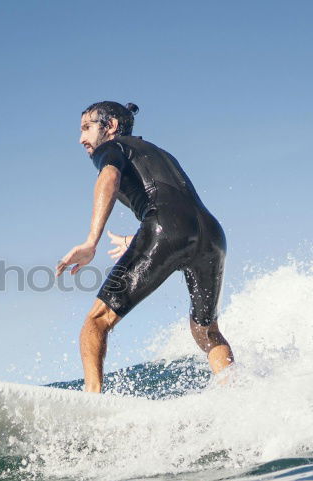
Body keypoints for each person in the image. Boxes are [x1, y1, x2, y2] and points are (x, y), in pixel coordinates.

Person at [56, 101, 235, 392]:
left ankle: (91, 400)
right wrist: (138, 238)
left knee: (96, 321)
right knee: (206, 330)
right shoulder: (158, 152)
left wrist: (92, 241)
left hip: (166, 228)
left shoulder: (110, 149)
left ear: (110, 126)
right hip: (212, 236)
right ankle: (233, 391)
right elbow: (178, 207)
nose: (82, 139)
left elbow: (109, 179)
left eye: (87, 128)